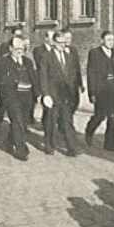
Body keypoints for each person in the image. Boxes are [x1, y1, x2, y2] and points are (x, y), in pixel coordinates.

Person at [38, 29, 82, 157]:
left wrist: (74, 91)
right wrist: (45, 94)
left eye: (64, 42)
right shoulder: (46, 56)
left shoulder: (69, 57)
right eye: (59, 43)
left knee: (67, 121)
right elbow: (43, 76)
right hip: (52, 95)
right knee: (50, 121)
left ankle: (72, 147)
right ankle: (49, 145)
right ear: (54, 42)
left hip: (66, 95)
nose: (62, 45)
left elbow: (72, 76)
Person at [0, 36, 38, 161]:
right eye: (17, 48)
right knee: (17, 121)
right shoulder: (3, 62)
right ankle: (21, 149)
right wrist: (4, 93)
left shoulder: (28, 62)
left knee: (22, 122)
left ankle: (8, 142)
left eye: (22, 48)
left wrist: (37, 94)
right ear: (11, 48)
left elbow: (34, 78)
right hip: (12, 96)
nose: (20, 51)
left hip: (27, 96)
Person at [85, 31, 114, 151]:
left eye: (112, 40)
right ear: (102, 40)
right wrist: (92, 92)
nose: (111, 42)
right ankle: (89, 130)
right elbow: (91, 74)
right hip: (101, 89)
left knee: (113, 118)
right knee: (100, 115)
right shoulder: (94, 53)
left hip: (113, 88)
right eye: (108, 40)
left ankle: (110, 144)